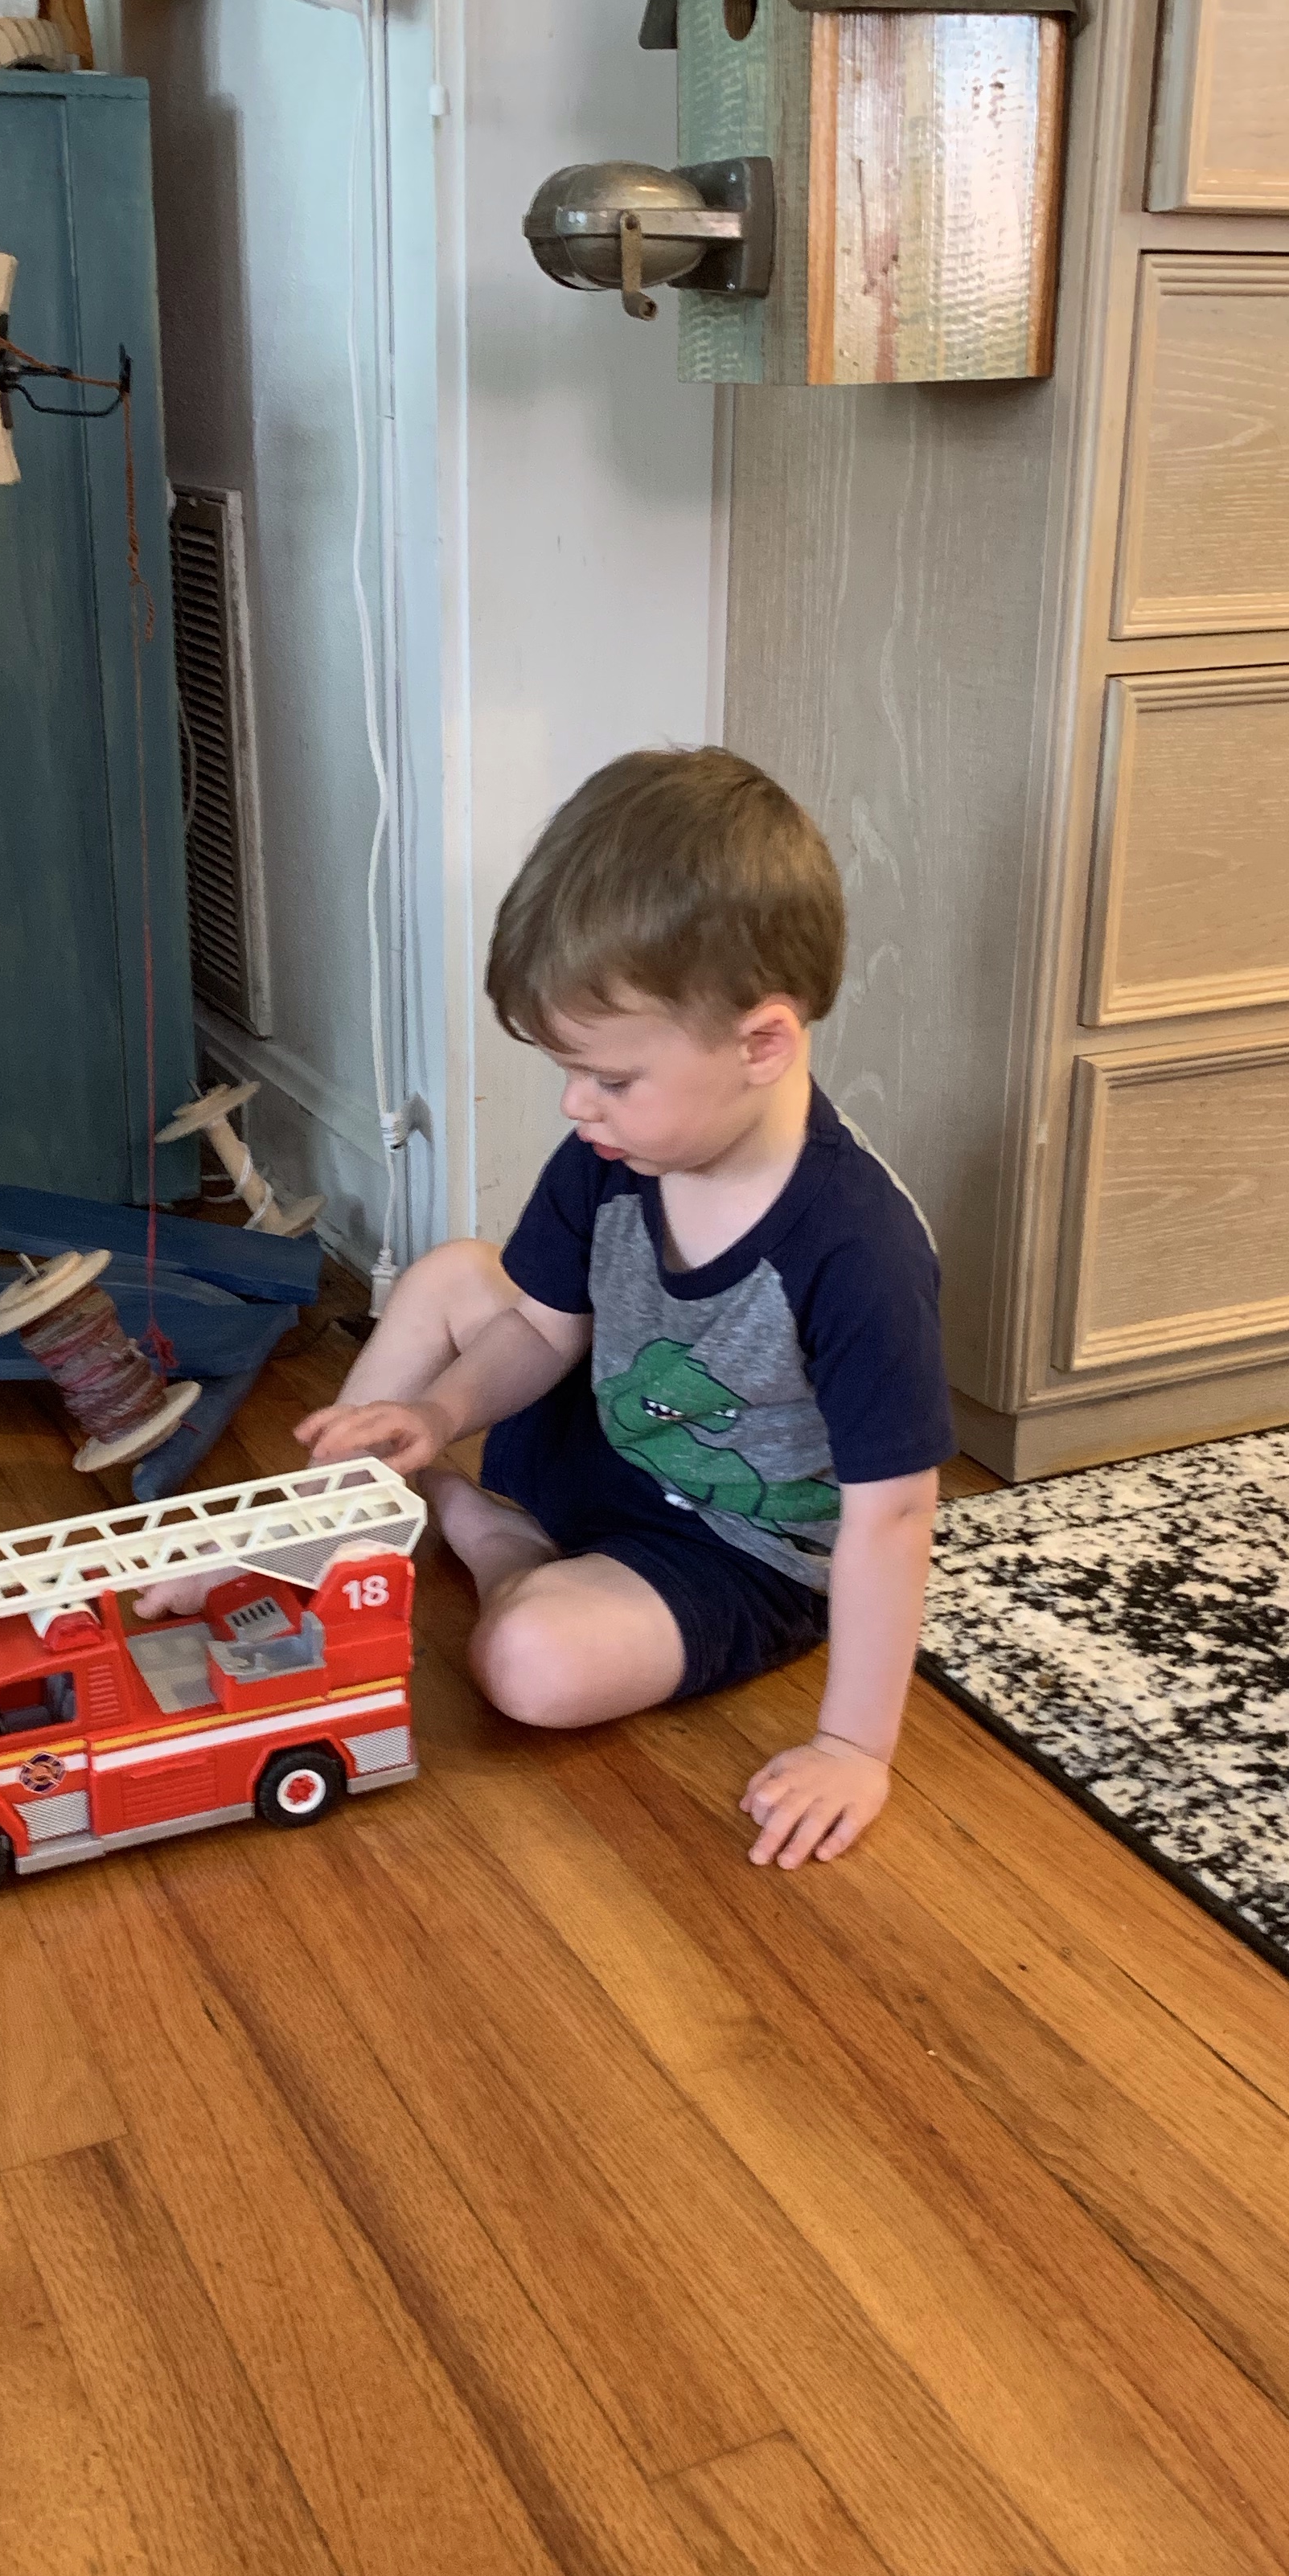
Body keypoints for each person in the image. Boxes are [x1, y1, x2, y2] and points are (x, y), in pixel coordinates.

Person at [297, 747, 951, 1870]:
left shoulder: (860, 1251)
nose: (575, 1105)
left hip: (730, 1550)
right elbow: (541, 1327)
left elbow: (891, 1519)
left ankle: (498, 1546)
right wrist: (440, 1414)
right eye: (570, 1071)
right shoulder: (611, 1157)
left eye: (610, 1079)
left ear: (762, 1042)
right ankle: (319, 1536)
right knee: (453, 1275)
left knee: (530, 1665)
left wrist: (853, 1746)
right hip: (610, 1432)